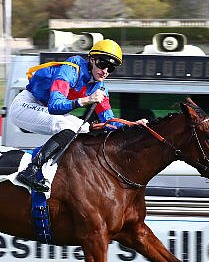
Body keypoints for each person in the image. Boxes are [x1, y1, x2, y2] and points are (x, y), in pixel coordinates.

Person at [10, 39, 135, 192]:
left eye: (111, 68)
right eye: (102, 64)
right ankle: (31, 170)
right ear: (92, 59)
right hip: (25, 105)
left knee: (86, 128)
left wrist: (136, 126)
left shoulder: (100, 87)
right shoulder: (71, 69)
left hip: (45, 109)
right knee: (66, 126)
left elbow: (110, 122)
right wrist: (86, 100)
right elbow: (55, 106)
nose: (105, 71)